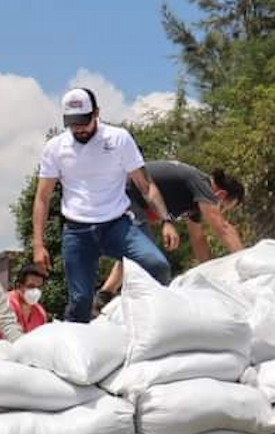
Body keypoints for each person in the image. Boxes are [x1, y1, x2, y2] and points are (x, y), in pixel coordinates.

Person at [31, 87, 180, 323]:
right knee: (80, 301)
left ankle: (153, 321)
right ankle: (73, 346)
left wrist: (167, 221)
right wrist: (38, 244)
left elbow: (146, 185)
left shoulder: (119, 139)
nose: (79, 129)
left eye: (84, 121)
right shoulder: (55, 148)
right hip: (77, 231)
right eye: (72, 123)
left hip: (117, 225)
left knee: (157, 265)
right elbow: (42, 197)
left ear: (97, 113)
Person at [95, 162, 247, 307]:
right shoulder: (202, 184)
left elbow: (198, 240)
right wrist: (246, 263)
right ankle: (136, 299)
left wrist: (209, 274)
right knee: (148, 255)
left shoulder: (194, 201)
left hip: (128, 196)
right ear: (220, 195)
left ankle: (104, 295)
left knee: (139, 248)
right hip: (125, 191)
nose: (220, 211)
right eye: (223, 207)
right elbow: (223, 228)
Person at [8, 264, 49, 333]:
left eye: (39, 287)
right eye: (31, 286)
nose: (35, 291)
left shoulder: (40, 314)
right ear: (19, 286)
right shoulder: (6, 304)